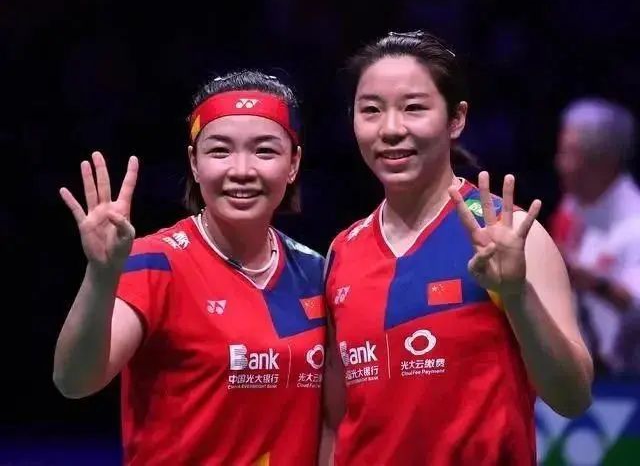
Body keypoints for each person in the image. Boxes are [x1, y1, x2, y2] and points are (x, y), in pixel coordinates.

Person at [322, 30, 593, 465]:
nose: (390, 129)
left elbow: (573, 397)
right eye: (371, 110)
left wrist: (516, 294)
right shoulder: (342, 252)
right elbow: (336, 422)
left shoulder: (510, 233)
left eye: (414, 108)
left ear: (456, 119)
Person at [53, 70, 327, 465]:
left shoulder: (317, 272)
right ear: (195, 164)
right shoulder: (155, 262)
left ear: (293, 163)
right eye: (220, 151)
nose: (241, 170)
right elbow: (74, 381)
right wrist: (100, 275)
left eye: (265, 151)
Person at [551, 98, 640, 376]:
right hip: (576, 370)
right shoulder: (571, 206)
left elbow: (635, 304)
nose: (559, 164)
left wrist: (575, 274)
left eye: (569, 153)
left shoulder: (635, 223)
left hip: (625, 381)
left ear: (602, 162)